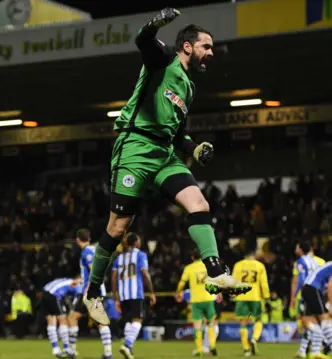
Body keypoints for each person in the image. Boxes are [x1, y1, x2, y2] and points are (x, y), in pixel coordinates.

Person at [83, 7, 251, 325]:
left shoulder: (189, 87)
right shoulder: (162, 61)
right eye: (207, 46)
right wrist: (158, 21)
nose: (211, 53)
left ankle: (216, 273)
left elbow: (177, 134)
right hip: (134, 148)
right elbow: (142, 38)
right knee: (118, 227)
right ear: (187, 46)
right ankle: (92, 293)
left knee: (198, 203)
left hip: (164, 155)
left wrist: (193, 147)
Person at [69, 228, 113, 359]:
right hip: (94, 289)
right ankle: (107, 352)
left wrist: (88, 288)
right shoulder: (95, 249)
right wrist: (80, 281)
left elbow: (93, 270)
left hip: (91, 291)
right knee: (77, 317)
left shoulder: (86, 252)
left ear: (78, 240)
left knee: (74, 318)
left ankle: (72, 351)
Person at [111, 233, 156, 359]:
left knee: (129, 321)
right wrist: (152, 292)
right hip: (136, 293)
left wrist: (116, 298)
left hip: (123, 296)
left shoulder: (118, 258)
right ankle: (128, 344)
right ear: (136, 242)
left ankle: (128, 349)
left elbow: (113, 278)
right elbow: (145, 273)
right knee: (137, 320)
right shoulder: (140, 254)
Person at [176, 251, 221, 357]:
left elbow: (182, 282)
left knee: (197, 326)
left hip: (196, 300)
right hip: (209, 299)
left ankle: (199, 349)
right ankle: (212, 346)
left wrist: (178, 292)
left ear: (192, 257)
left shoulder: (189, 268)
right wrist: (218, 292)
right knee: (211, 323)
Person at [232, 248, 270, 356]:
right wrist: (266, 296)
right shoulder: (259, 266)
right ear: (253, 255)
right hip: (255, 297)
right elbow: (264, 283)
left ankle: (246, 349)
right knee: (258, 319)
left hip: (241, 297)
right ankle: (254, 338)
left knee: (243, 323)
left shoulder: (238, 265)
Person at [290, 240, 325, 359]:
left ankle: (317, 345)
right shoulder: (320, 261)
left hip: (306, 294)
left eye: (296, 247)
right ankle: (305, 350)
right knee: (314, 321)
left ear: (301, 249)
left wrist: (294, 296)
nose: (295, 250)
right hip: (319, 294)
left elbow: (298, 280)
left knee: (306, 322)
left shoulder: (300, 262)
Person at [42, 276, 83, 358]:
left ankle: (55, 348)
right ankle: (66, 348)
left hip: (45, 291)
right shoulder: (79, 285)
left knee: (51, 319)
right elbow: (77, 299)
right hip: (54, 294)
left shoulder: (67, 280)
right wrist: (73, 310)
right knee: (63, 319)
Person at [181, 289, 220, 355]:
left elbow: (183, 294)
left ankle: (205, 348)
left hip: (205, 303)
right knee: (210, 325)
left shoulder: (196, 290)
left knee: (202, 327)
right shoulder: (211, 289)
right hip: (210, 304)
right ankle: (209, 347)